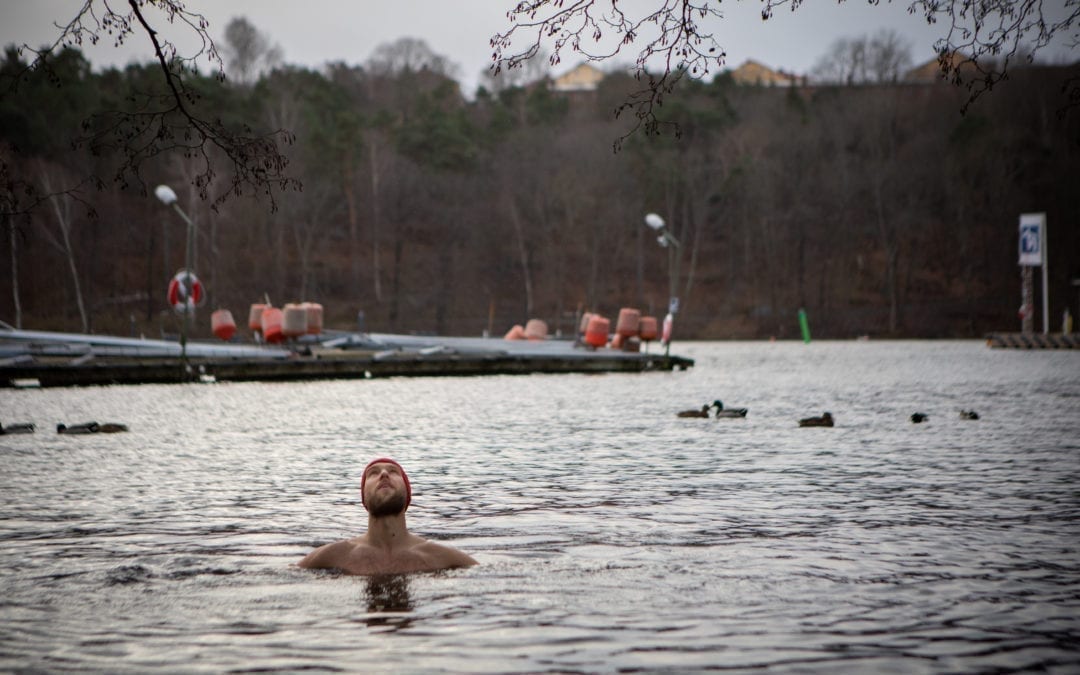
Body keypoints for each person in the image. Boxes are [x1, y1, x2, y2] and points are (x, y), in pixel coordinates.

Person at [298, 457, 478, 575]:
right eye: (373, 473)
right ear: (364, 498)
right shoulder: (332, 556)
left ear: (408, 495)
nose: (384, 474)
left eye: (393, 472)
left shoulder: (444, 558)